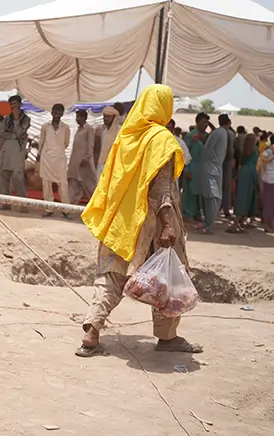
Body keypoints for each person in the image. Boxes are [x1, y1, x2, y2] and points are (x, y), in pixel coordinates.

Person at [77, 84, 202, 357]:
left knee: (112, 275)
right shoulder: (163, 140)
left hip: (121, 220)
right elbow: (163, 189)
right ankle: (167, 337)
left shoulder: (128, 135)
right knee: (166, 278)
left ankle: (91, 332)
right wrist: (168, 225)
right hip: (152, 222)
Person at [195, 114, 229, 234]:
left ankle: (209, 224)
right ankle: (208, 223)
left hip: (210, 168)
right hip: (213, 167)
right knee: (210, 196)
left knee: (211, 196)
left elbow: (207, 150)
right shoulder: (223, 133)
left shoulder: (218, 133)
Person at [0, 95, 31, 210]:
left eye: (15, 104)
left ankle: (23, 205)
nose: (13, 106)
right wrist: (15, 136)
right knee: (4, 176)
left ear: (20, 104)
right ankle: (5, 203)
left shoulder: (26, 119)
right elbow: (2, 134)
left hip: (18, 151)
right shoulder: (7, 119)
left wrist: (16, 120)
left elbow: (21, 132)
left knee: (17, 177)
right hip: (7, 149)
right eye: (11, 104)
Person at [39, 103, 72, 218]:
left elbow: (66, 144)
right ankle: (49, 209)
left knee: (63, 184)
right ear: (51, 112)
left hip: (60, 160)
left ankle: (66, 209)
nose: (57, 115)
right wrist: (42, 154)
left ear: (62, 114)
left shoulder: (66, 128)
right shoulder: (45, 126)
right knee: (46, 184)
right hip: (46, 159)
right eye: (55, 112)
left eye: (59, 113)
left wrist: (57, 151)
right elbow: (41, 142)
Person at [181, 113, 209, 222]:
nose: (205, 125)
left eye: (207, 123)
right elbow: (186, 152)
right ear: (197, 122)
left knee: (199, 193)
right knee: (189, 192)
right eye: (203, 122)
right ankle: (187, 214)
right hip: (191, 166)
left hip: (201, 168)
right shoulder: (190, 136)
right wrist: (186, 169)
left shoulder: (206, 136)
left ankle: (197, 213)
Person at [228, 134, 259, 234]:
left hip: (245, 172)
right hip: (250, 173)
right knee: (246, 198)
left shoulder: (244, 150)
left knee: (243, 197)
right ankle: (236, 223)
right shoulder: (253, 151)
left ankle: (238, 222)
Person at [67, 109, 97, 204]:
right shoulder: (78, 129)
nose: (77, 119)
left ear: (84, 118)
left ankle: (95, 205)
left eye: (78, 117)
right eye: (76, 117)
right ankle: (70, 207)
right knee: (74, 184)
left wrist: (86, 158)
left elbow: (90, 145)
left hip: (84, 163)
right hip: (75, 162)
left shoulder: (89, 129)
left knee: (89, 186)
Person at [96, 106, 121, 175]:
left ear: (114, 118)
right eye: (104, 117)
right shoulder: (104, 132)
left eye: (108, 117)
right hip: (102, 164)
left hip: (114, 165)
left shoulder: (119, 131)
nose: (105, 119)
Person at [221, 118, 236, 217]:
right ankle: (226, 208)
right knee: (226, 186)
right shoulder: (230, 134)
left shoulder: (218, 133)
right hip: (227, 161)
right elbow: (232, 149)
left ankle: (218, 207)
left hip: (220, 161)